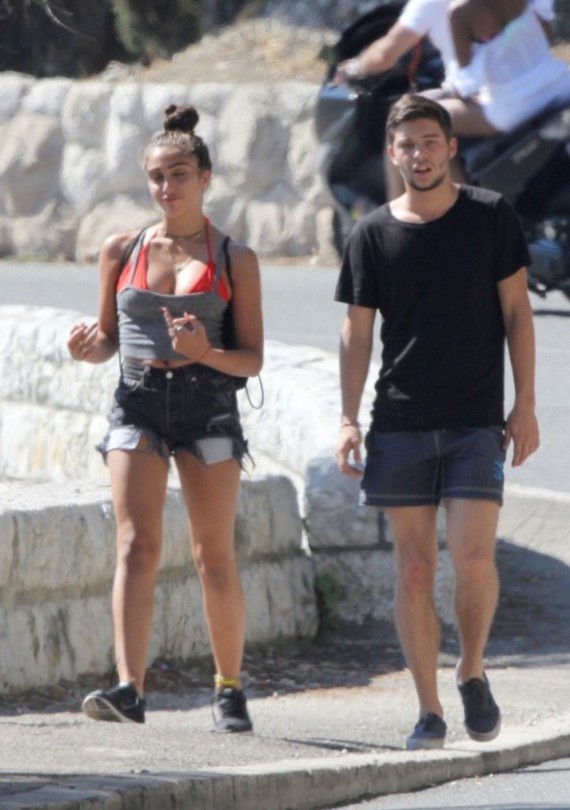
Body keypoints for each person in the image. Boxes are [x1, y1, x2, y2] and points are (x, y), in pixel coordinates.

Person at [334, 93, 539, 750]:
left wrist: (525, 403)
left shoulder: (490, 217)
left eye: (429, 142)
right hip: (399, 422)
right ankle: (429, 710)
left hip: (477, 421)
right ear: (391, 154)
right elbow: (356, 334)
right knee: (414, 570)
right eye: (406, 145)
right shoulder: (371, 234)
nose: (418, 155)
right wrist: (346, 418)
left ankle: (471, 670)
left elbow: (517, 314)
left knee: (474, 560)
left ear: (450, 148)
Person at [67, 104, 263, 732]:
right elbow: (107, 340)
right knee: (136, 543)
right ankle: (130, 687)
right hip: (138, 402)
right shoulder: (121, 248)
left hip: (209, 409)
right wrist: (85, 346)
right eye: (155, 176)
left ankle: (229, 688)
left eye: (179, 174)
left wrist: (206, 351)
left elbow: (252, 360)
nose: (166, 187)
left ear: (205, 177)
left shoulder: (235, 257)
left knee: (213, 556)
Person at [333, 0, 566, 193]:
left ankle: (412, 228)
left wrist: (353, 67)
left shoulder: (444, 7)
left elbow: (385, 54)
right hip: (560, 85)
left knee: (404, 118)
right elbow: (544, 30)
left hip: (511, 107)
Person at [448, 0, 570, 134]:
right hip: (561, 84)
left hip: (513, 111)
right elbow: (546, 28)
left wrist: (451, 92)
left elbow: (467, 85)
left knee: (432, 111)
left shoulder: (459, 12)